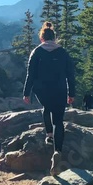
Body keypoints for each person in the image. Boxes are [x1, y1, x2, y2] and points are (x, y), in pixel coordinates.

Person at [22, 21, 75, 176]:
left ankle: (49, 136)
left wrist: (26, 93)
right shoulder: (63, 52)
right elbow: (70, 76)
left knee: (46, 108)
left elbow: (30, 75)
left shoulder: (36, 52)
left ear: (42, 38)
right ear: (54, 38)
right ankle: (57, 150)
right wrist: (71, 94)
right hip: (59, 90)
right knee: (58, 120)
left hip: (42, 91)